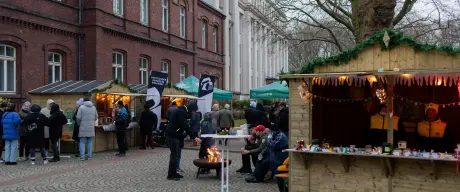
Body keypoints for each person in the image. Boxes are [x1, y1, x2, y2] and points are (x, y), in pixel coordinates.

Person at [165, 102, 201, 181]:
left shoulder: (183, 111)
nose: (194, 113)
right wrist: (194, 137)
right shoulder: (181, 112)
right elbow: (184, 125)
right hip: (172, 135)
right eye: (194, 111)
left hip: (175, 135)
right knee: (174, 155)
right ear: (191, 109)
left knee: (176, 155)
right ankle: (171, 174)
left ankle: (174, 172)